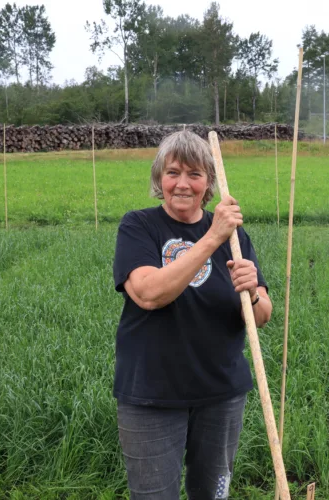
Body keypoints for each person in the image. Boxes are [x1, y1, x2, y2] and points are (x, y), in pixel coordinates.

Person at [112, 130, 272, 499]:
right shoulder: (139, 226)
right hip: (151, 395)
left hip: (221, 394)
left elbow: (262, 314)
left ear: (209, 183)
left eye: (194, 174)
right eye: (172, 173)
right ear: (159, 179)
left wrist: (252, 292)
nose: (182, 184)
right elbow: (149, 294)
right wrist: (212, 237)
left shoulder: (235, 237)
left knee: (212, 495)